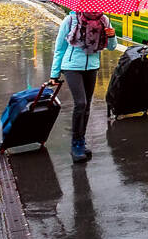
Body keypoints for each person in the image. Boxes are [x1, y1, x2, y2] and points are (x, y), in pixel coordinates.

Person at [50, 9, 117, 163]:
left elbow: (112, 47)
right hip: (72, 67)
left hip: (92, 66)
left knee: (86, 107)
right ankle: (75, 144)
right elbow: (59, 48)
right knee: (81, 103)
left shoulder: (104, 20)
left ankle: (81, 141)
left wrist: (112, 36)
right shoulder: (70, 20)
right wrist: (55, 73)